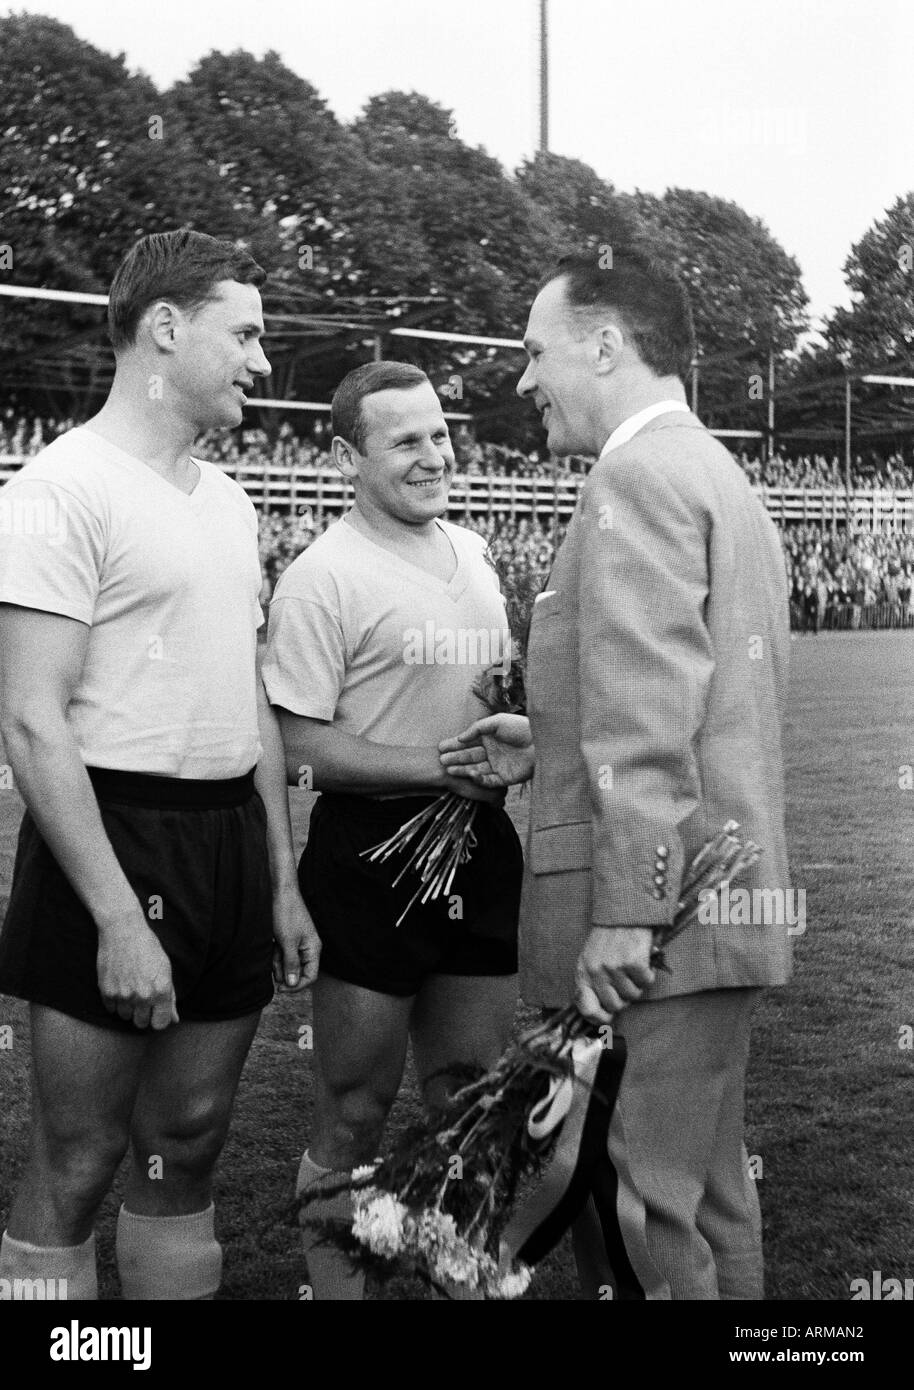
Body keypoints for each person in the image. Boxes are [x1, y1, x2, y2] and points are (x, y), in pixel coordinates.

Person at [441, 246, 792, 1300]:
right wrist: (544, 737)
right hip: (713, 910)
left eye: (532, 350)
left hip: (654, 928)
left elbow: (646, 722)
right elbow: (699, 704)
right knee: (705, 1196)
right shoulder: (714, 473)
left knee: (642, 1212)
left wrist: (627, 913)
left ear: (602, 344)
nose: (520, 379)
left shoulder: (633, 476)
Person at [0, 230, 320, 1300]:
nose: (262, 362)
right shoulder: (60, 488)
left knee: (186, 1139)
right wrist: (117, 919)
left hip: (228, 835)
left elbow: (253, 703)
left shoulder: (228, 500)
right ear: (166, 329)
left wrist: (279, 882)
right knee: (81, 1157)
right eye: (246, 333)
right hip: (114, 834)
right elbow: (35, 721)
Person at [262, 361, 522, 1300]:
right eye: (404, 440)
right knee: (356, 1108)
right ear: (345, 458)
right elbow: (297, 747)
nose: (432, 454)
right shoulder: (319, 578)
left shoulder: (477, 553)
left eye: (439, 433)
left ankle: (463, 1280)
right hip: (370, 860)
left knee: (473, 1098)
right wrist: (445, 768)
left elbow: (498, 695)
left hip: (481, 856)